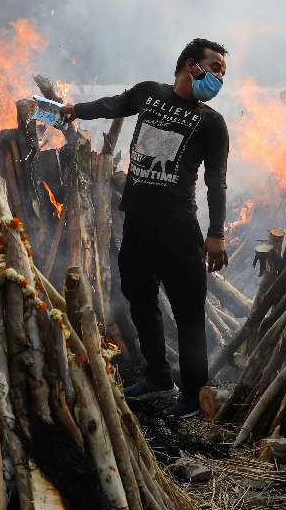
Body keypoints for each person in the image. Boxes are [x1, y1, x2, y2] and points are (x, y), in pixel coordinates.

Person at [59, 38, 230, 418]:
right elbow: (114, 104)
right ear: (191, 65)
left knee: (188, 314)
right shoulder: (149, 94)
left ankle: (192, 396)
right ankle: (158, 379)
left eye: (223, 72)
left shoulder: (212, 123)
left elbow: (216, 179)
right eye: (215, 67)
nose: (219, 77)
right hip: (136, 221)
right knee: (140, 300)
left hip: (179, 227)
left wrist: (216, 232)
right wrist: (74, 109)